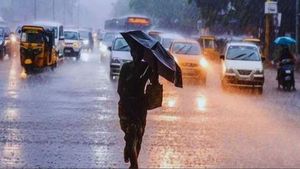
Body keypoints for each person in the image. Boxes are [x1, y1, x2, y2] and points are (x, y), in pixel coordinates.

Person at [118, 47, 158, 169]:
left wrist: (154, 69)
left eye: (139, 53)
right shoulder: (126, 67)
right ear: (131, 53)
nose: (137, 55)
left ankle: (133, 164)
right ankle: (133, 161)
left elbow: (154, 82)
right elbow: (120, 89)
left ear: (142, 55)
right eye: (135, 52)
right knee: (130, 133)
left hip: (140, 105)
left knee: (139, 135)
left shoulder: (146, 67)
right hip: (126, 104)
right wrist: (126, 102)